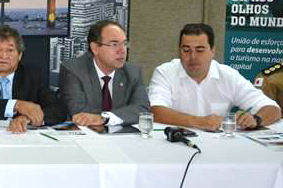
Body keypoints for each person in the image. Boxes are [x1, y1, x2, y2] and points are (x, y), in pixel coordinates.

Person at [149, 23, 280, 130]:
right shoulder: (165, 72)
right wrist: (199, 122)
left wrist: (256, 119)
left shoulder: (228, 75)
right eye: (186, 50)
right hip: (177, 144)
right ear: (179, 51)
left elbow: (273, 109)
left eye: (200, 50)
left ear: (212, 51)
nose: (192, 57)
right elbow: (156, 111)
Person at [0, 25, 66, 133]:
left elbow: (57, 109)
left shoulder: (32, 75)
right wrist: (16, 105)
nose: (4, 56)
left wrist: (28, 118)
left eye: (10, 50)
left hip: (22, 136)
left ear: (19, 55)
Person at [59, 19, 150, 127]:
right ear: (95, 48)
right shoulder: (74, 70)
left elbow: (142, 109)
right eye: (114, 44)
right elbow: (80, 113)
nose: (122, 50)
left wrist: (105, 118)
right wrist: (116, 116)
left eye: (124, 44)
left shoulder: (133, 72)